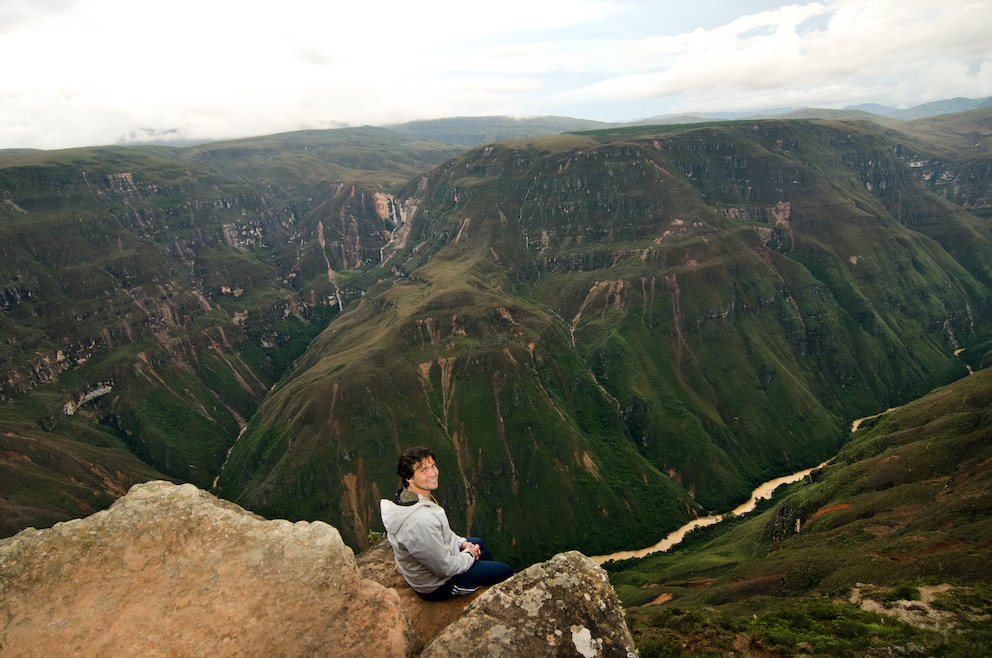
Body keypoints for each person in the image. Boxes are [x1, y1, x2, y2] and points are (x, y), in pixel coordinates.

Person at [379, 446, 513, 600]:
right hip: (439, 584)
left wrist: (463, 544)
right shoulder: (419, 522)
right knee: (505, 571)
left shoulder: (412, 499)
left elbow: (443, 534)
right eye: (423, 470)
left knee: (478, 543)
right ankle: (495, 596)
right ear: (409, 477)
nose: (433, 473)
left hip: (440, 563)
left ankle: (484, 575)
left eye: (433, 466)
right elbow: (445, 568)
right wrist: (469, 554)